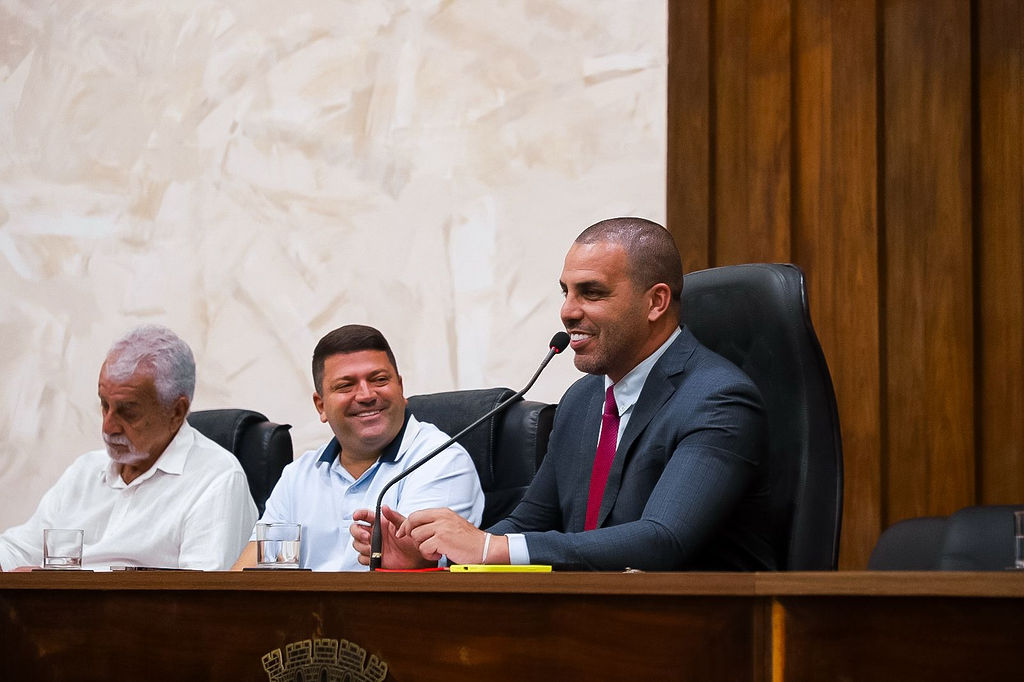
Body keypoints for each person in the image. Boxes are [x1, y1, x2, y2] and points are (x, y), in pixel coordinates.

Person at [353, 217, 775, 571]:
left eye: (591, 292)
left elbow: (662, 540)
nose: (568, 311)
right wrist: (439, 557)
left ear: (656, 302)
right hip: (585, 622)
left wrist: (489, 549)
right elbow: (530, 522)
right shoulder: (583, 400)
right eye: (566, 291)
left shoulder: (718, 398)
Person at [0, 325, 257, 571]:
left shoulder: (215, 480)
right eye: (104, 405)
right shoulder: (85, 472)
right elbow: (19, 549)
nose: (108, 427)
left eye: (128, 412)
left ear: (176, 412)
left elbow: (202, 599)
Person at [232, 324, 484, 571]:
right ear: (321, 406)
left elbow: (408, 572)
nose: (365, 395)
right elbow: (258, 575)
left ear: (401, 388)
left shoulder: (440, 460)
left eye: (379, 380)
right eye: (345, 385)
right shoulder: (299, 476)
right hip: (306, 613)